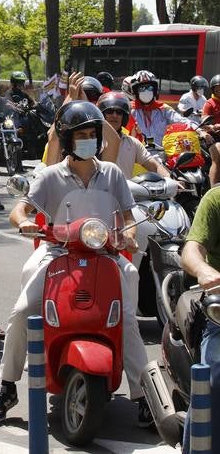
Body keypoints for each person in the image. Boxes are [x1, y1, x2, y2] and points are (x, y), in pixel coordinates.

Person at [0, 100, 153, 428]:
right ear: (67, 139)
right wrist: (24, 222)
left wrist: (129, 236)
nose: (89, 140)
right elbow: (20, 209)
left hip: (104, 254)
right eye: (82, 135)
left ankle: (142, 394)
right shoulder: (50, 176)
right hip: (57, 253)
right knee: (22, 312)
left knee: (127, 320)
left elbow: (128, 217)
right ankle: (6, 386)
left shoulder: (113, 173)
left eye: (93, 134)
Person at [179, 184, 220, 453]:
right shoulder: (216, 198)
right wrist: (204, 271)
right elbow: (192, 250)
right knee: (214, 383)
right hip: (219, 312)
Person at [97, 91, 171, 179]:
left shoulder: (132, 143)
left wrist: (169, 179)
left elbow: (155, 166)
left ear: (124, 117)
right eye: (109, 111)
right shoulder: (93, 141)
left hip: (127, 192)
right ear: (102, 115)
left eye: (119, 112)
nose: (114, 115)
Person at [128, 70, 178, 146]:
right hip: (137, 155)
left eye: (149, 88)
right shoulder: (129, 110)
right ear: (135, 92)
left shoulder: (163, 109)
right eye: (142, 88)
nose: (146, 91)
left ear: (155, 91)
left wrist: (199, 130)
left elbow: (181, 120)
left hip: (161, 154)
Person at [200, 74, 220, 186]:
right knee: (218, 153)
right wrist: (212, 126)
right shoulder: (209, 103)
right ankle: (213, 189)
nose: (219, 91)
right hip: (213, 138)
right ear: (213, 90)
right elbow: (203, 120)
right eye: (217, 89)